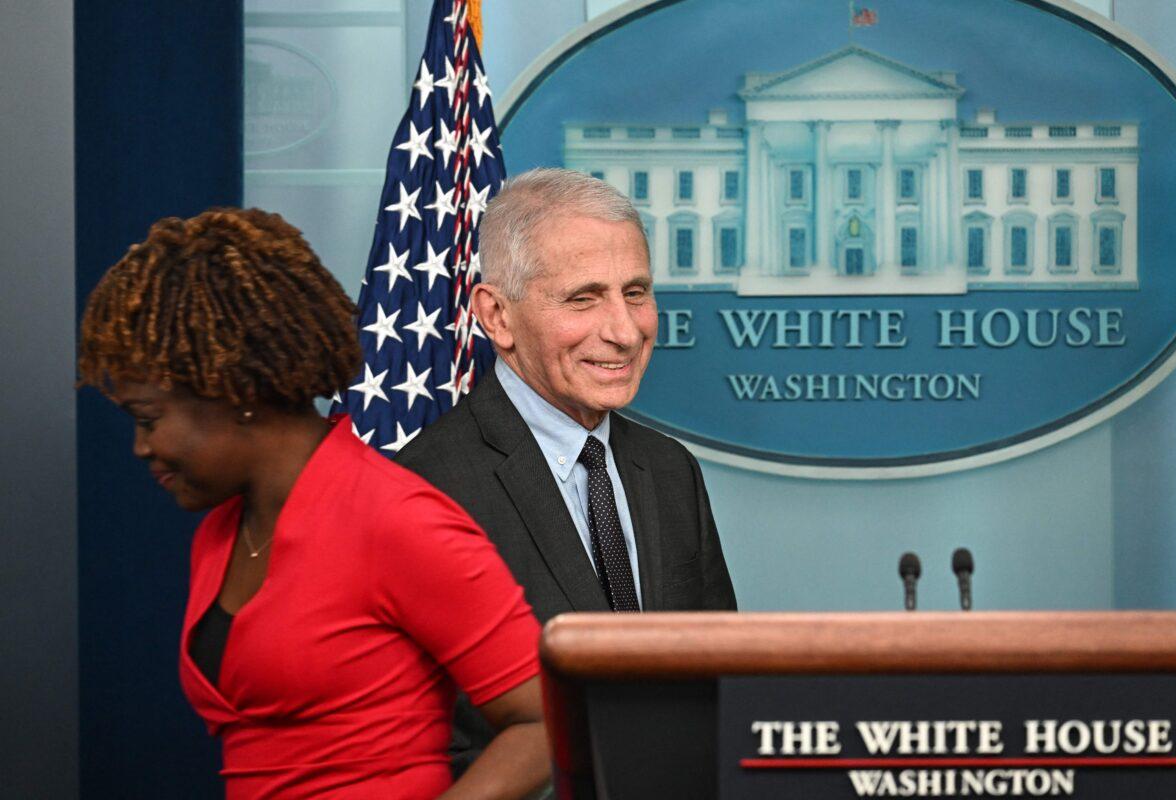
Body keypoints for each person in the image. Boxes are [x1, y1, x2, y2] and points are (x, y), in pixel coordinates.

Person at [77, 208, 549, 800]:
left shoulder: (397, 519)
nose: (143, 447)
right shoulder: (221, 531)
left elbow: (544, 722)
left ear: (237, 391)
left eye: (149, 419)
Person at [395, 168, 737, 772]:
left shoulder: (668, 470)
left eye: (635, 293)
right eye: (583, 298)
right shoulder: (425, 488)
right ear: (496, 315)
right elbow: (425, 742)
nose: (625, 332)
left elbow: (722, 680)